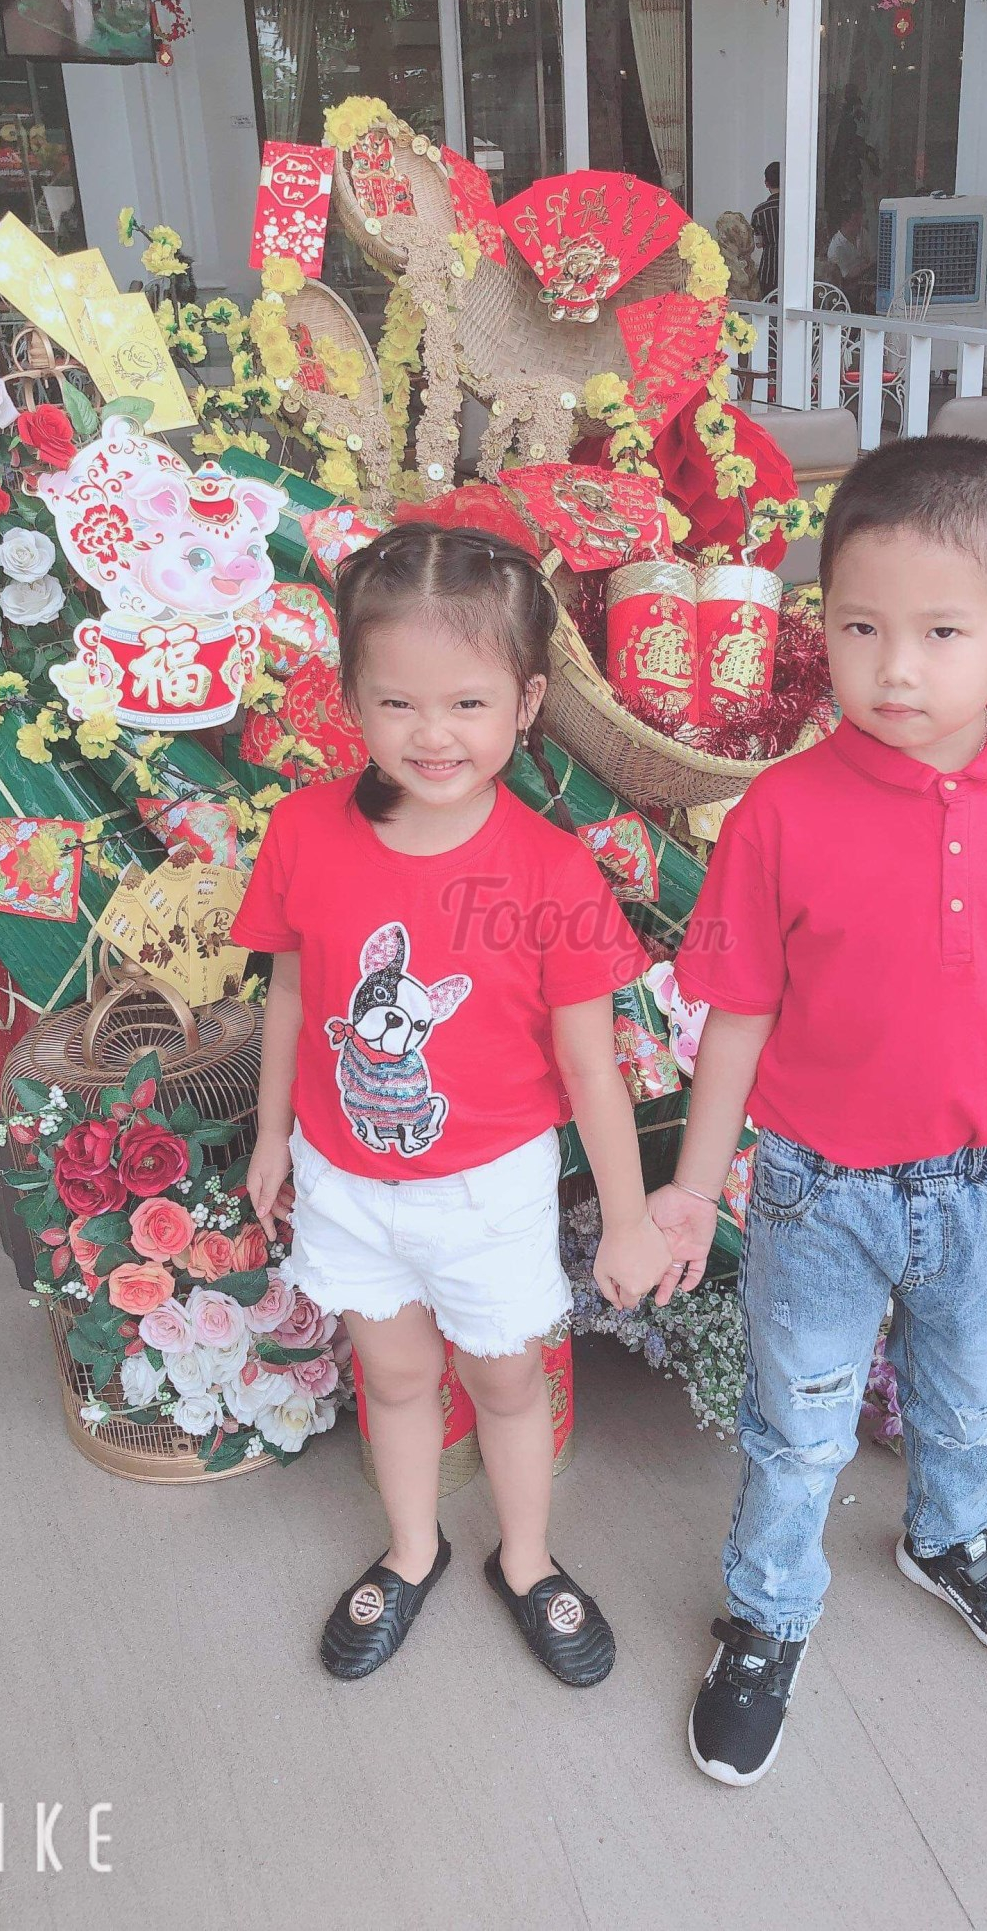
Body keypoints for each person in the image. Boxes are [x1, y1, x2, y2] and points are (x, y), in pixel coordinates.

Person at [649, 438, 987, 1786]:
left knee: (970, 1398)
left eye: (941, 631)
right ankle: (768, 1613)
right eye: (861, 627)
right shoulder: (780, 815)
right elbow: (737, 1018)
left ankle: (951, 1538)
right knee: (800, 1422)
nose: (896, 668)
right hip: (820, 1189)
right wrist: (692, 1187)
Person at [233, 524, 678, 1687]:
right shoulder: (302, 832)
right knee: (390, 1376)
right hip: (346, 1180)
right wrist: (274, 1133)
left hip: (488, 1193)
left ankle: (526, 1559)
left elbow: (593, 1068)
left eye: (469, 704)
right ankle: (413, 1547)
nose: (434, 734)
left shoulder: (552, 871)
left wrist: (629, 1220)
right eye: (399, 703)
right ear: (351, 699)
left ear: (526, 703)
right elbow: (294, 993)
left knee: (507, 1380)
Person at [752, 162, 781, 300]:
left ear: (766, 183)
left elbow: (758, 244)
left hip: (768, 270)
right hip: (793, 268)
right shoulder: (796, 208)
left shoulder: (759, 212)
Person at [825, 202, 871, 288]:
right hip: (848, 288)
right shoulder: (836, 247)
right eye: (855, 220)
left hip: (867, 280)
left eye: (860, 219)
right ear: (844, 223)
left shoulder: (863, 233)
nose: (860, 223)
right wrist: (867, 264)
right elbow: (848, 275)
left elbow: (870, 256)